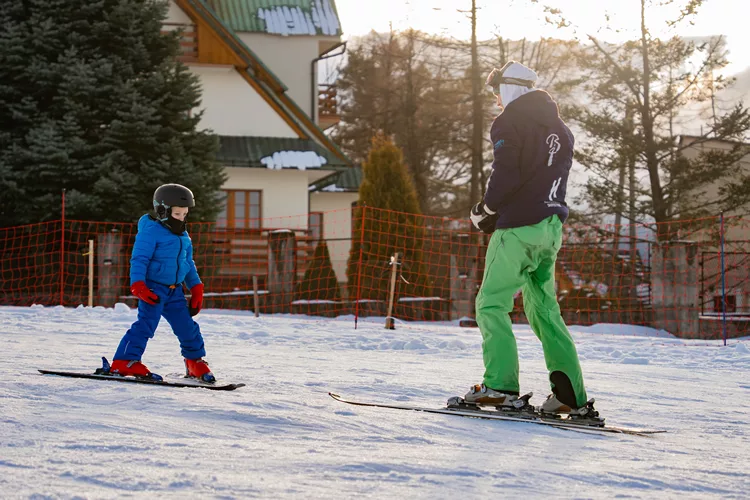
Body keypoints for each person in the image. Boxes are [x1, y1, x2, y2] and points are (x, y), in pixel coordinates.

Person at [465, 61, 591, 416]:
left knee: (491, 303)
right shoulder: (562, 129)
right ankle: (570, 395)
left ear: (509, 87)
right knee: (545, 311)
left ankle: (500, 387)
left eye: (496, 91)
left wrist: (486, 209)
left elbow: (506, 171)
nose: (495, 99)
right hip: (551, 227)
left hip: (518, 228)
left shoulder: (509, 121)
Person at [110, 183, 214, 383]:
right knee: (146, 325)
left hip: (175, 291)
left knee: (187, 327)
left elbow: (187, 263)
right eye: (177, 214)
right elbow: (139, 259)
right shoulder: (151, 232)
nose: (182, 218)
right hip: (153, 288)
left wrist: (196, 287)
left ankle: (194, 361)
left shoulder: (183, 234)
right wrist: (138, 284)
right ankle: (124, 361)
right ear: (162, 211)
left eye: (185, 214)